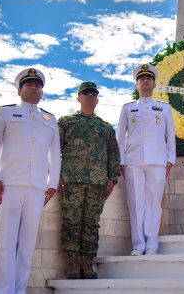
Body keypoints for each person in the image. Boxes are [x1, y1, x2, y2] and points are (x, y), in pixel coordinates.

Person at [0, 67, 60, 294]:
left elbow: (54, 155)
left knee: (27, 243)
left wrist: (52, 183)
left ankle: (20, 289)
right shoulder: (6, 113)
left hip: (37, 187)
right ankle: (4, 291)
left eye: (38, 85)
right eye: (29, 84)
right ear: (19, 90)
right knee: (7, 242)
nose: (34, 87)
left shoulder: (50, 119)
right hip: (10, 185)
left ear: (42, 91)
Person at [57, 82, 121, 279]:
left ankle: (88, 263)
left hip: (97, 183)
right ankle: (73, 264)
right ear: (78, 97)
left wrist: (112, 179)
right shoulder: (66, 122)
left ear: (98, 98)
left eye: (93, 93)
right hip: (71, 181)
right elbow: (53, 151)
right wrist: (56, 176)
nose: (90, 96)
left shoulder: (105, 127)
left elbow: (113, 154)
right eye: (86, 93)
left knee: (92, 223)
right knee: (71, 222)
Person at [117, 64, 176, 256]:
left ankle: (151, 244)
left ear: (154, 84)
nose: (145, 81)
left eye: (148, 78)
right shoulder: (128, 108)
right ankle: (138, 244)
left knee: (153, 203)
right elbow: (121, 136)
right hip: (133, 160)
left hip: (158, 161)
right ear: (136, 85)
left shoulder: (164, 108)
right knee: (135, 204)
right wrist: (121, 161)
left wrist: (170, 159)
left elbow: (170, 136)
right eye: (141, 79)